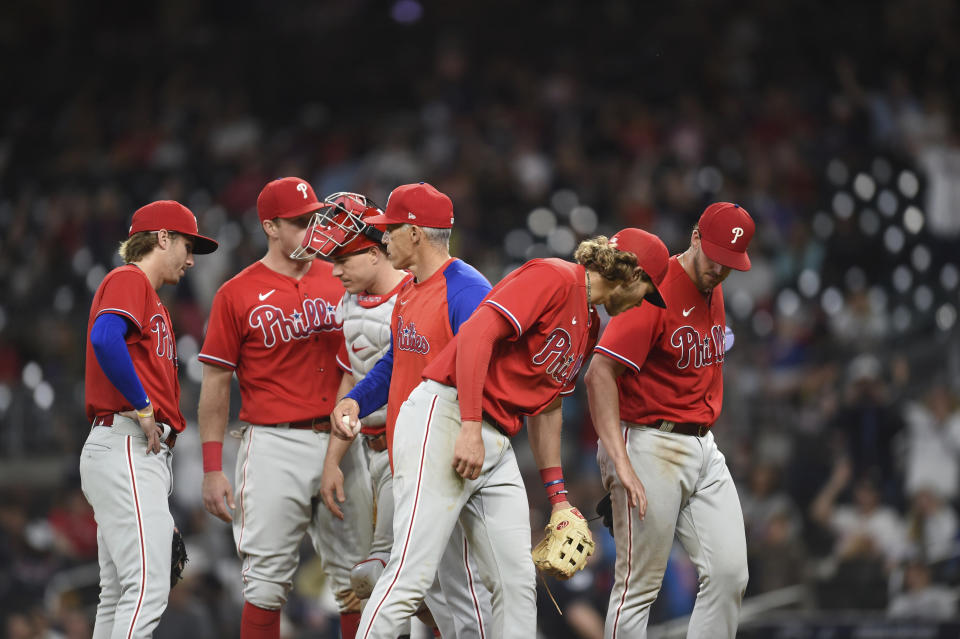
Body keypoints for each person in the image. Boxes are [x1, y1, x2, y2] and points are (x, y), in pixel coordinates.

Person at [338, 228, 671, 639]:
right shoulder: (553, 276)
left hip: (496, 437)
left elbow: (547, 407)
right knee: (412, 574)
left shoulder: (588, 325)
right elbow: (477, 334)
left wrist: (559, 498)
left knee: (517, 582)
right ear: (629, 272)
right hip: (448, 413)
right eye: (647, 291)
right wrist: (471, 425)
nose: (643, 302)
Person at [196, 178, 373, 639]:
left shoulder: (343, 275)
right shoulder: (236, 293)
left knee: (359, 582)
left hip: (344, 439)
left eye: (313, 218)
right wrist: (213, 467)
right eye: (298, 222)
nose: (310, 229)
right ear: (269, 227)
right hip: (274, 442)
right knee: (265, 585)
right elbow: (215, 385)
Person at [329, 182, 493, 638]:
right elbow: (395, 362)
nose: (384, 239)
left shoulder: (467, 290)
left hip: (449, 454)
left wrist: (472, 432)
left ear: (416, 233)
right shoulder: (410, 290)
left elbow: (483, 372)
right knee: (440, 593)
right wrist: (356, 399)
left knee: (463, 588)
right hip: (413, 456)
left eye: (391, 230)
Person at [586, 202, 755, 639]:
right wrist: (619, 461)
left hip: (703, 446)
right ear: (696, 236)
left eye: (730, 263)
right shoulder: (655, 287)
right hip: (648, 442)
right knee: (637, 588)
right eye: (715, 256)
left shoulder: (712, 286)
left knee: (730, 573)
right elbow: (600, 372)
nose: (720, 269)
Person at [80, 200, 218, 638]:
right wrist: (142, 405)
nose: (192, 259)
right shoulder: (129, 278)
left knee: (120, 591)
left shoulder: (152, 300)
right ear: (162, 238)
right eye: (187, 245)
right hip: (125, 443)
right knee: (149, 584)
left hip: (131, 452)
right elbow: (105, 337)